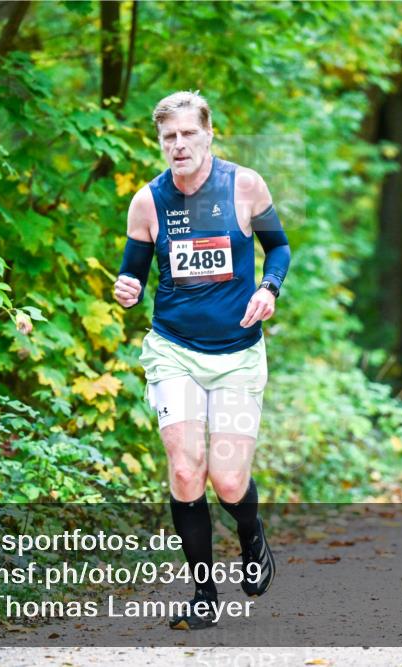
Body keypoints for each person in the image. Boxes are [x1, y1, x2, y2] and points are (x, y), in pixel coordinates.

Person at [113, 91, 289, 630]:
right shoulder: (148, 202)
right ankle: (204, 593)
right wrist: (127, 287)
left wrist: (269, 288)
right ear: (160, 142)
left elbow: (278, 247)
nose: (179, 144)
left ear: (209, 134)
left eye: (189, 133)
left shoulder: (244, 185)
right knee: (186, 468)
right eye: (170, 136)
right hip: (173, 351)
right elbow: (134, 274)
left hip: (237, 355)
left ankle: (252, 534)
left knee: (230, 481)